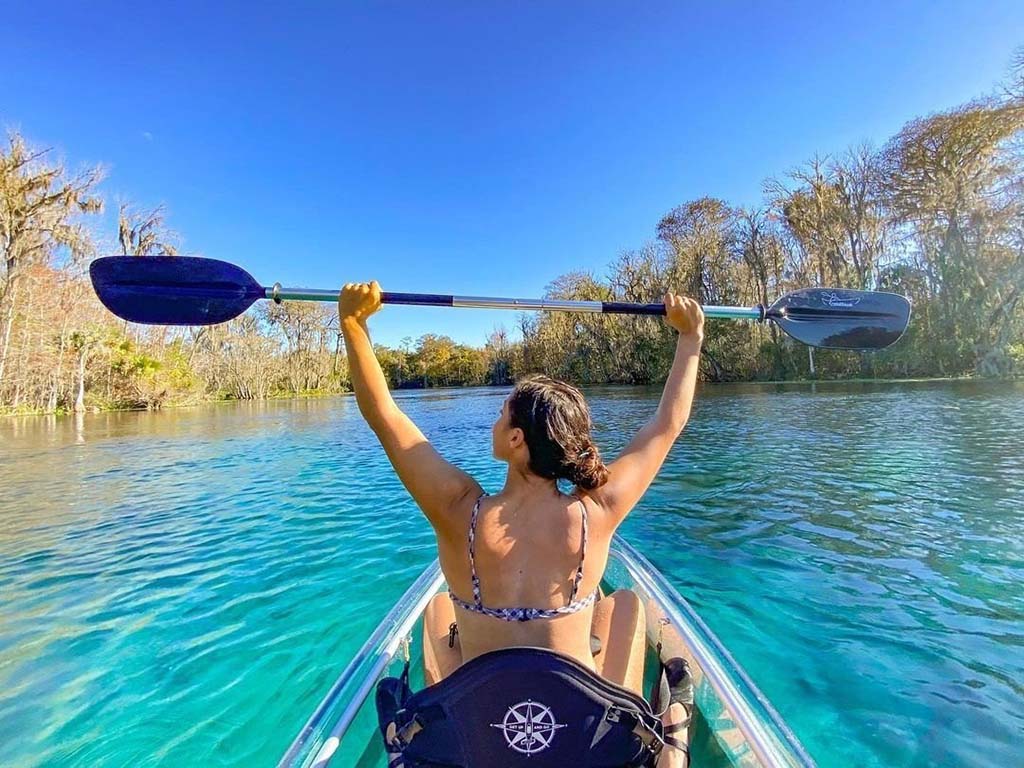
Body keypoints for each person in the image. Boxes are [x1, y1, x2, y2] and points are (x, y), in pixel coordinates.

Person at [340, 282, 704, 768]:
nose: (493, 422)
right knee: (627, 604)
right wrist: (690, 338)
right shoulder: (596, 512)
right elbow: (666, 424)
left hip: (483, 737)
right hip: (581, 742)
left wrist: (353, 325)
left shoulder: (458, 511)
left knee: (437, 610)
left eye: (499, 413)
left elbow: (385, 417)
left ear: (515, 439)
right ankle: (667, 741)